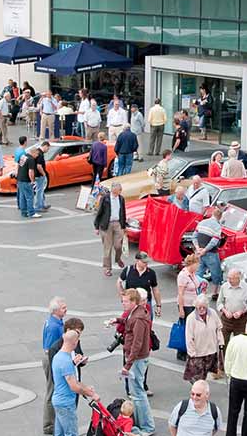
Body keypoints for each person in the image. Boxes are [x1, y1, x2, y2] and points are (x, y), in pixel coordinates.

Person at [121, 288, 156, 436]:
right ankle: (143, 423)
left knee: (138, 394)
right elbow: (128, 322)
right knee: (137, 392)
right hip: (137, 358)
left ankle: (147, 426)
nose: (123, 303)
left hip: (137, 359)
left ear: (134, 302)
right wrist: (116, 320)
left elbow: (137, 343)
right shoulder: (137, 312)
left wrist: (127, 365)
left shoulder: (139, 318)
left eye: (125, 301)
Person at [52, 330, 98, 436]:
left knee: (60, 433)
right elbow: (74, 386)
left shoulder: (58, 357)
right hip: (66, 403)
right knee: (71, 433)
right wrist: (91, 394)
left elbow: (70, 379)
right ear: (75, 342)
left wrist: (86, 388)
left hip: (58, 400)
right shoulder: (66, 361)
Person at [184, 294, 224, 383]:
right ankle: (198, 391)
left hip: (211, 351)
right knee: (196, 376)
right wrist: (192, 352)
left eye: (204, 307)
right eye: (199, 308)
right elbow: (189, 337)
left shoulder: (212, 313)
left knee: (204, 374)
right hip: (197, 353)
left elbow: (219, 328)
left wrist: (221, 342)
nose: (202, 310)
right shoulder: (191, 318)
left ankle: (201, 390)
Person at [42, 296, 67, 434]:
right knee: (51, 391)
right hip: (52, 359)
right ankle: (49, 426)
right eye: (63, 308)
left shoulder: (55, 321)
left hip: (53, 357)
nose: (66, 309)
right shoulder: (53, 326)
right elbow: (50, 349)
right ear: (56, 310)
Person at [217, 268, 247, 347]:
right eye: (228, 278)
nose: (229, 280)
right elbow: (219, 303)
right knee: (223, 342)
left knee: (240, 344)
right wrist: (225, 311)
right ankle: (225, 358)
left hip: (241, 320)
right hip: (226, 319)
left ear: (238, 278)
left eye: (232, 278)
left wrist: (241, 312)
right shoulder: (224, 287)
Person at [118, 252, 164, 318]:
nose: (146, 264)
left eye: (147, 262)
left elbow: (155, 289)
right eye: (143, 262)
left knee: (147, 321)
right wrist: (123, 297)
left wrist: (158, 306)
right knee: (129, 321)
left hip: (145, 302)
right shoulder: (128, 270)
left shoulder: (151, 273)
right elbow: (119, 282)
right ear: (137, 260)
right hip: (132, 302)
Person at [95, 183, 127, 277]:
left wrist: (123, 226)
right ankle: (107, 268)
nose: (115, 194)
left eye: (117, 192)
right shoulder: (105, 199)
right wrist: (97, 227)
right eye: (114, 192)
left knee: (118, 245)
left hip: (117, 223)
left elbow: (123, 212)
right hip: (106, 224)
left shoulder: (121, 199)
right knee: (107, 248)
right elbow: (99, 212)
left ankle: (118, 259)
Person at [176, 254, 203, 361]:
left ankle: (189, 349)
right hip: (186, 305)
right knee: (186, 329)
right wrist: (181, 309)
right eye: (197, 264)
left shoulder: (192, 274)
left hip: (193, 304)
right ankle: (182, 351)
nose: (198, 266)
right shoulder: (183, 275)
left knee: (192, 328)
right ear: (191, 264)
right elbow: (180, 293)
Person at [196, 208, 225, 298]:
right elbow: (214, 242)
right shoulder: (217, 226)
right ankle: (215, 292)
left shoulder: (201, 223)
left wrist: (198, 249)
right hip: (211, 253)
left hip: (199, 252)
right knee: (216, 273)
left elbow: (194, 236)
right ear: (220, 217)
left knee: (199, 273)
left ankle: (198, 291)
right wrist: (205, 250)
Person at [17, 145, 41, 219]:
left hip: (20, 179)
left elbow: (18, 166)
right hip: (26, 180)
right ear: (33, 153)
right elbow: (31, 171)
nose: (37, 156)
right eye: (37, 154)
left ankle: (24, 212)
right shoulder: (31, 160)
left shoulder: (23, 156)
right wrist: (32, 180)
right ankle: (31, 212)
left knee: (22, 197)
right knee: (30, 197)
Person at [34, 140, 51, 213]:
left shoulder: (37, 152)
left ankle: (42, 204)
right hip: (39, 175)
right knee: (39, 191)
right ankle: (38, 206)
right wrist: (44, 174)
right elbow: (39, 166)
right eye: (48, 148)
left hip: (37, 174)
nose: (48, 150)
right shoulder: (40, 154)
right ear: (45, 146)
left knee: (41, 190)